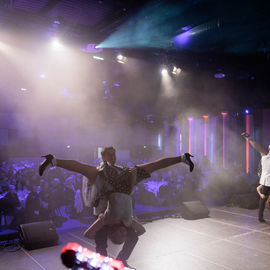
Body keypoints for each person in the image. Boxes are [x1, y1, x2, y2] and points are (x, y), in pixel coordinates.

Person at [39, 146, 194, 267]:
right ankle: (53, 161)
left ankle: (181, 158)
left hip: (113, 210)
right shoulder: (100, 172)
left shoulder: (124, 172)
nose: (113, 157)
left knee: (132, 237)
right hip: (105, 214)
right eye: (110, 154)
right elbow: (78, 166)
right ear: (103, 157)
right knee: (101, 245)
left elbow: (154, 166)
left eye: (114, 154)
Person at [242, 132, 270, 222]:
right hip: (267, 182)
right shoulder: (266, 155)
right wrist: (249, 139)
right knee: (263, 199)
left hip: (266, 181)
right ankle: (260, 217)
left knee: (263, 200)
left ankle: (260, 217)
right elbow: (257, 147)